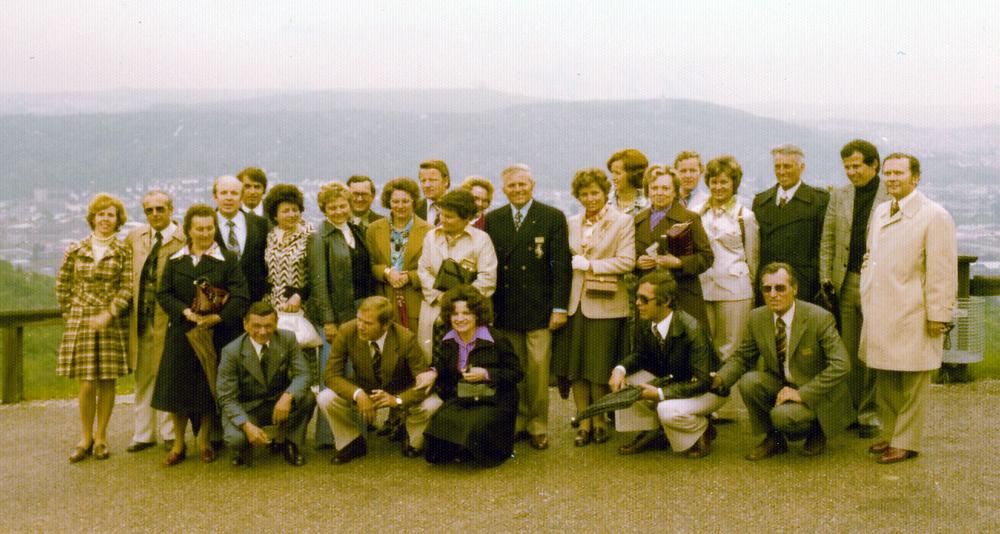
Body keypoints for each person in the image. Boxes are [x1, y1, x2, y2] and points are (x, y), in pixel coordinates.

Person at [861, 153, 957, 464]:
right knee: (886, 377)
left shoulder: (934, 215)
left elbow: (942, 271)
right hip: (881, 311)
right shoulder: (880, 212)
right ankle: (890, 433)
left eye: (898, 173)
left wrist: (939, 315)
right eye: (887, 173)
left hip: (914, 311)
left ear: (915, 178)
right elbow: (872, 256)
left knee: (914, 382)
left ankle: (906, 441)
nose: (891, 179)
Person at [712, 262, 853, 460]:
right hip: (783, 383)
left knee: (782, 416)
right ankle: (774, 440)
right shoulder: (757, 317)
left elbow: (842, 365)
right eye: (767, 289)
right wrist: (720, 378)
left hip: (817, 392)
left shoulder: (819, 318)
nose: (773, 294)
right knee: (750, 382)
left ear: (794, 289)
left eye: (780, 288)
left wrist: (802, 394)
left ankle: (817, 430)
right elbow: (743, 357)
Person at [153, 204, 249, 466]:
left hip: (215, 333)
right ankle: (179, 444)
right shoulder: (175, 260)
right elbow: (164, 294)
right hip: (183, 333)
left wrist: (218, 318)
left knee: (207, 389)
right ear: (188, 230)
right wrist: (185, 312)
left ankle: (204, 441)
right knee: (177, 391)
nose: (205, 233)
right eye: (200, 228)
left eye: (209, 228)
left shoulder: (227, 259)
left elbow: (241, 295)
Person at [485, 164, 572, 451]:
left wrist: (559, 308)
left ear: (532, 185)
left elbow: (561, 267)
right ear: (503, 189)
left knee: (536, 372)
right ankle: (518, 423)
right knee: (514, 370)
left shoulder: (551, 217)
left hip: (539, 309)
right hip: (506, 310)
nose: (518, 190)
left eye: (523, 184)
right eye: (512, 186)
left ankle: (538, 425)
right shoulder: (493, 220)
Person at [551, 168, 635, 447]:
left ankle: (600, 420)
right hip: (576, 303)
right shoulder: (571, 222)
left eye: (595, 193)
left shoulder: (621, 221)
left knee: (599, 367)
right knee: (576, 368)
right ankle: (583, 420)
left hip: (606, 303)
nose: (590, 198)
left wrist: (592, 266)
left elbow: (627, 261)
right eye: (584, 194)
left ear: (605, 192)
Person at [610, 271, 725, 458]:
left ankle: (702, 429)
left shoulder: (692, 328)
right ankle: (653, 432)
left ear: (665, 301)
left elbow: (704, 381)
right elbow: (639, 356)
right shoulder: (645, 320)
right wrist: (619, 369)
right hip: (678, 382)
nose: (637, 303)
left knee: (666, 410)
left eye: (644, 299)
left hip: (709, 390)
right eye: (637, 297)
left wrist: (660, 394)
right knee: (627, 379)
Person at [819, 139, 890, 439]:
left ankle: (869, 412)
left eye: (856, 166)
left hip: (879, 283)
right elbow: (829, 237)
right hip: (846, 281)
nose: (851, 172)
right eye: (847, 167)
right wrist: (826, 276)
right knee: (848, 349)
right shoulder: (840, 195)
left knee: (872, 348)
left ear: (874, 165)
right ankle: (850, 410)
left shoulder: (890, 194)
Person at [317, 296, 442, 464]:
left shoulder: (406, 338)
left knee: (432, 404)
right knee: (325, 398)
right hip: (365, 390)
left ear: (386, 325)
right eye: (359, 319)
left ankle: (411, 438)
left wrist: (397, 400)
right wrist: (358, 394)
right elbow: (331, 375)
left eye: (367, 323)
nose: (360, 326)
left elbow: (423, 382)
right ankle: (352, 442)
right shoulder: (347, 330)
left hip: (398, 392)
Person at [57, 193, 133, 462]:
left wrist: (110, 313)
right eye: (101, 214)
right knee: (87, 383)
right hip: (82, 320)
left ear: (117, 219)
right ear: (93, 218)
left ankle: (101, 437)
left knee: (107, 381)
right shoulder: (76, 249)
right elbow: (63, 285)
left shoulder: (124, 250)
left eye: (110, 215)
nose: (105, 219)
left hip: (110, 320)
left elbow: (127, 287)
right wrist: (72, 314)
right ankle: (85, 437)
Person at [307, 180, 377, 448]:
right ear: (324, 209)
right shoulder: (319, 237)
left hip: (359, 310)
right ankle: (330, 436)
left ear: (349, 206)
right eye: (332, 207)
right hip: (335, 314)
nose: (338, 211)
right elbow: (319, 282)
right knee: (334, 372)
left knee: (355, 372)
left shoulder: (357, 231)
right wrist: (328, 320)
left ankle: (358, 431)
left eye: (342, 205)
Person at [422, 286, 523, 465]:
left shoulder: (496, 338)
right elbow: (443, 367)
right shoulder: (448, 339)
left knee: (476, 425)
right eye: (455, 314)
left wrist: (486, 373)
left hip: (495, 398)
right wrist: (433, 372)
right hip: (464, 396)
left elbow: (516, 372)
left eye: (466, 313)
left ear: (477, 314)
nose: (460, 319)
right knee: (436, 431)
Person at [217, 301, 315, 467]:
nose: (262, 332)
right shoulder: (231, 351)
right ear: (245, 325)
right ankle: (243, 448)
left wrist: (288, 396)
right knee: (236, 439)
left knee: (307, 397)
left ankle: (288, 442)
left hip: (277, 402)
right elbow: (226, 397)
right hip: (247, 407)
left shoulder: (288, 339)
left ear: (276, 323)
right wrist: (246, 426)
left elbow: (304, 374)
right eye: (256, 326)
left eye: (268, 326)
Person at [124, 190, 184, 453]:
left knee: (169, 375)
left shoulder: (183, 238)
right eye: (149, 210)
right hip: (142, 318)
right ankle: (143, 433)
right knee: (143, 377)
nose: (155, 214)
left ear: (171, 209)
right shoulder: (135, 237)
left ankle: (170, 432)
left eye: (160, 209)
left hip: (170, 318)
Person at [416, 189, 498, 359]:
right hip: (434, 310)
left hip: (468, 314)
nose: (442, 220)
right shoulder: (431, 236)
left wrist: (459, 301)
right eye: (442, 215)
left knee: (465, 359)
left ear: (465, 218)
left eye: (449, 217)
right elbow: (423, 270)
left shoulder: (481, 240)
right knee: (434, 358)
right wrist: (440, 298)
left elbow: (487, 279)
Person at [634, 164, 713, 328]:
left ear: (675, 191)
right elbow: (630, 257)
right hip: (649, 300)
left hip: (682, 296)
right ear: (647, 191)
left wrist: (679, 263)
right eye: (654, 188)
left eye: (665, 188)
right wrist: (637, 263)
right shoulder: (638, 221)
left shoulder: (689, 218)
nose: (659, 192)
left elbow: (707, 257)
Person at [697, 156, 759, 360]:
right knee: (706, 344)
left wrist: (747, 283)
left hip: (735, 290)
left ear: (734, 183)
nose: (718, 187)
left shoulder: (745, 216)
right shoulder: (698, 214)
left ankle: (730, 390)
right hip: (705, 287)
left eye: (724, 182)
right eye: (714, 182)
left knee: (732, 347)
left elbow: (753, 257)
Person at [752, 144, 829, 303]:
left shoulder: (819, 201)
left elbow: (823, 245)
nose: (781, 171)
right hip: (769, 284)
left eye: (787, 166)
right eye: (777, 166)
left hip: (802, 285)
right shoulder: (761, 201)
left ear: (802, 168)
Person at [366, 177, 431, 332]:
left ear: (414, 201)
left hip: (414, 302)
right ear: (388, 202)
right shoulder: (374, 229)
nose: (400, 206)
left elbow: (432, 268)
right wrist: (387, 272)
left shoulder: (429, 230)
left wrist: (409, 277)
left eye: (405, 201)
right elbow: (370, 264)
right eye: (395, 201)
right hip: (382, 301)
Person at [213, 175, 269, 302]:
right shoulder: (205, 225)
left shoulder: (260, 224)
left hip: (252, 303)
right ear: (215, 197)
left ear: (241, 197)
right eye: (223, 193)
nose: (229, 198)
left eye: (234, 193)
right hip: (216, 305)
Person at [262, 184, 314, 313]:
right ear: (275, 215)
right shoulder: (269, 236)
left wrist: (299, 295)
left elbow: (318, 276)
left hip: (298, 305)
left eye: (295, 210)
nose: (292, 214)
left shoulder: (310, 235)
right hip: (271, 305)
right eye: (286, 211)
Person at [606, 148, 650, 216]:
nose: (613, 178)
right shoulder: (604, 202)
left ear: (633, 174)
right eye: (612, 172)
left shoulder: (648, 204)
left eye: (618, 173)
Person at [416, 159, 450, 225]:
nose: (427, 185)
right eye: (423, 181)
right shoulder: (415, 209)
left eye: (432, 180)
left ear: (446, 181)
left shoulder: (460, 207)